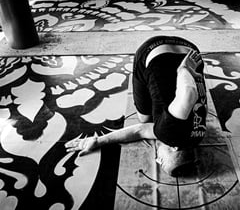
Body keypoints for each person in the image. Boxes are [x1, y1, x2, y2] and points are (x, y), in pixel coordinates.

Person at [65, 36, 207, 177]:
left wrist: (98, 141)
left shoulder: (196, 136)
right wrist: (183, 69)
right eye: (162, 161)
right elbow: (189, 93)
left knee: (151, 119)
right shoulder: (168, 134)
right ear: (174, 148)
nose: (157, 159)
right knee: (144, 119)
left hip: (190, 50)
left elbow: (140, 132)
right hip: (152, 49)